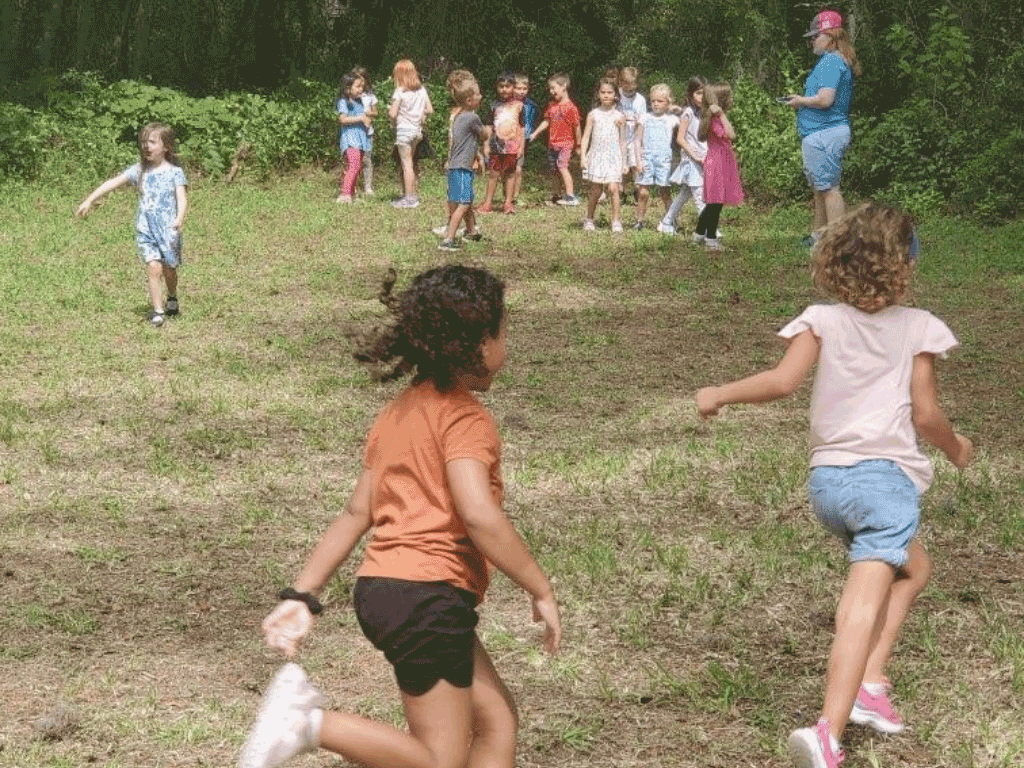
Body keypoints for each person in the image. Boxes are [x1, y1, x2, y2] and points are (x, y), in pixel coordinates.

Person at [239, 265, 562, 768]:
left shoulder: (399, 412)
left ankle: (307, 722)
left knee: (496, 720)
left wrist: (301, 595)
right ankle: (308, 723)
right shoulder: (464, 418)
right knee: (438, 761)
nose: (507, 345)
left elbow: (356, 512)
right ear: (477, 343)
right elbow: (479, 513)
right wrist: (539, 587)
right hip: (427, 597)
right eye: (503, 332)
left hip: (390, 591)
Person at [695, 203, 974, 768]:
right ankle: (828, 733)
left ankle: (870, 683)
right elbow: (926, 414)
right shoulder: (918, 327)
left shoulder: (821, 319)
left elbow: (781, 381)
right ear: (906, 264)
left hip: (828, 485)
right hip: (883, 486)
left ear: (836, 260)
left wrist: (719, 393)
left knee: (914, 569)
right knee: (859, 608)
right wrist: (956, 447)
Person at [76, 122, 187, 327]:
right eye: (144, 142)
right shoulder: (139, 171)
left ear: (166, 146)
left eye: (152, 142)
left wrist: (179, 218)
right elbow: (112, 182)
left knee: (169, 270)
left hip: (169, 230)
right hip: (146, 229)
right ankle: (158, 311)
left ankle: (172, 296)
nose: (146, 146)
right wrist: (89, 200)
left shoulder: (174, 172)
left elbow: (182, 198)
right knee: (153, 267)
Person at [784, 9, 861, 245]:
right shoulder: (833, 60)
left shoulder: (831, 62)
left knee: (829, 190)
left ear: (831, 35)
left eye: (816, 35)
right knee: (821, 188)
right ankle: (819, 236)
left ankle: (837, 242)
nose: (812, 41)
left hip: (825, 133)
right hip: (821, 133)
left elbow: (826, 99)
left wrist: (799, 101)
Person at [438, 77, 488, 251]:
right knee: (464, 202)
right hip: (462, 168)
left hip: (453, 167)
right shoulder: (473, 118)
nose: (481, 96)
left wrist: (477, 154)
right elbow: (484, 135)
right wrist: (488, 131)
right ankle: (448, 239)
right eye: (478, 94)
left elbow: (464, 142)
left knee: (459, 200)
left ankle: (471, 231)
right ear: (469, 100)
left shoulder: (458, 117)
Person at [695, 83, 742, 251]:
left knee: (715, 202)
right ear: (722, 100)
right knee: (715, 202)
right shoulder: (716, 120)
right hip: (718, 162)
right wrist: (722, 115)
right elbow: (731, 135)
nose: (732, 99)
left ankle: (699, 234)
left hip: (721, 160)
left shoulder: (713, 118)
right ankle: (711, 238)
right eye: (729, 97)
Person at [659, 75, 708, 235]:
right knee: (700, 197)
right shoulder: (688, 113)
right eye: (698, 93)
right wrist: (694, 156)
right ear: (691, 95)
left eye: (704, 93)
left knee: (684, 194)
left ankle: (666, 222)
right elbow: (680, 139)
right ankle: (709, 231)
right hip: (691, 160)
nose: (702, 97)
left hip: (702, 159)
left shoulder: (704, 113)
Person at [580, 78, 627, 232]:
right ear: (598, 94)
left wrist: (625, 161)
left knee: (614, 188)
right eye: (603, 92)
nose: (606, 95)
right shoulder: (593, 114)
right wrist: (583, 157)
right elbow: (586, 137)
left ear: (615, 95)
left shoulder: (619, 116)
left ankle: (615, 221)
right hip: (597, 156)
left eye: (610, 92)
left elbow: (623, 141)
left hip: (613, 157)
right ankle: (589, 218)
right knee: (596, 190)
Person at [529, 73, 582, 206]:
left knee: (562, 167)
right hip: (552, 144)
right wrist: (535, 133)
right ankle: (556, 195)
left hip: (565, 144)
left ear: (563, 86)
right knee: (555, 170)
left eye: (553, 88)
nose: (551, 91)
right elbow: (546, 121)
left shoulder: (571, 107)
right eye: (550, 89)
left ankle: (570, 196)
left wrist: (579, 145)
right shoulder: (552, 105)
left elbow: (577, 127)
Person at [632, 83, 679, 230]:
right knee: (643, 192)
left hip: (663, 160)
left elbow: (686, 122)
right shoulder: (644, 118)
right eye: (653, 101)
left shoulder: (672, 119)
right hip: (646, 159)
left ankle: (671, 220)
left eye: (660, 101)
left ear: (668, 102)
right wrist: (638, 161)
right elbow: (637, 140)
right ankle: (639, 221)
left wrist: (675, 108)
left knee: (664, 192)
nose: (656, 104)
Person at [389, 59, 434, 208]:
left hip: (404, 131)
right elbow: (429, 110)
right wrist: (421, 117)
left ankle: (409, 199)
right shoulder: (421, 90)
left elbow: (392, 113)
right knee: (411, 163)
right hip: (416, 131)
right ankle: (411, 194)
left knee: (406, 164)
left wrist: (392, 120)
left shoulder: (400, 92)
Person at [478, 72, 525, 214]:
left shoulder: (519, 106)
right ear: (497, 87)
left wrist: (521, 146)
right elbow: (488, 126)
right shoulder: (493, 105)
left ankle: (508, 203)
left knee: (510, 174)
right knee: (493, 174)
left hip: (512, 146)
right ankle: (488, 203)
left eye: (507, 86)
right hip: (496, 146)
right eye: (501, 86)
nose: (504, 89)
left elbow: (522, 128)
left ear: (513, 87)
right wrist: (486, 144)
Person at [335, 71, 372, 204]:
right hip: (350, 139)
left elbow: (367, 117)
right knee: (354, 165)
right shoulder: (343, 102)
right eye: (357, 86)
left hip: (361, 139)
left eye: (362, 86)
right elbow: (342, 119)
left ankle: (351, 194)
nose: (361, 89)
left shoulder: (360, 102)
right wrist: (360, 118)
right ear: (347, 88)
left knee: (358, 166)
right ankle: (345, 194)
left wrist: (367, 117)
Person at [617, 66, 646, 202]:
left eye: (632, 89)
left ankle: (636, 190)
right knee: (620, 165)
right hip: (619, 137)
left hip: (634, 137)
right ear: (621, 83)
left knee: (635, 164)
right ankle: (621, 191)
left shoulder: (640, 100)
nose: (629, 92)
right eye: (626, 88)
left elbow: (642, 121)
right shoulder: (617, 96)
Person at [511, 73, 539, 206]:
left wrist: (530, 135)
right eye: (518, 88)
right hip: (508, 138)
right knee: (507, 169)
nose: (522, 91)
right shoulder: (506, 104)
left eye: (524, 89)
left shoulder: (531, 105)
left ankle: (515, 196)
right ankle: (508, 193)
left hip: (523, 139)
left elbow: (532, 122)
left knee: (518, 168)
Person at [352, 66, 379, 195]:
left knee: (367, 159)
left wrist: (370, 113)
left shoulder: (370, 96)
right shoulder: (351, 95)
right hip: (354, 132)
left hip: (368, 132)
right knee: (354, 160)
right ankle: (353, 186)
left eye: (362, 80)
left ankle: (368, 187)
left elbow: (376, 112)